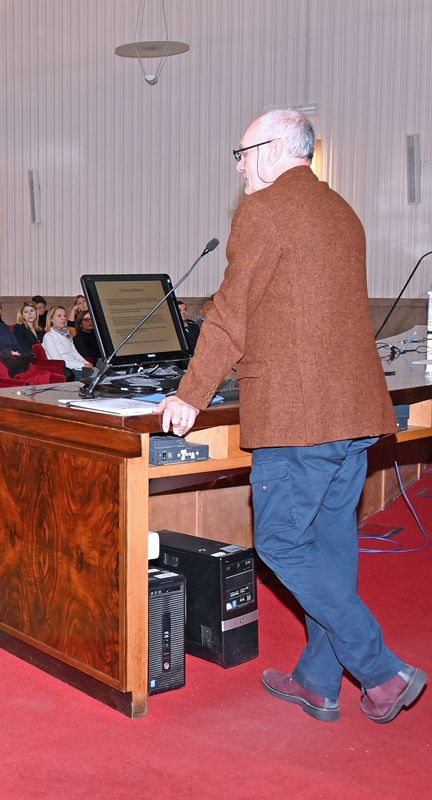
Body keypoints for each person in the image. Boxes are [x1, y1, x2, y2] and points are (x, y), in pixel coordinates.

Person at [156, 109, 425, 724]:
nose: (240, 165)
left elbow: (231, 312)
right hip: (353, 413)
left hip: (298, 416)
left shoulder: (266, 208)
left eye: (243, 152)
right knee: (330, 547)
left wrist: (191, 393)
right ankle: (319, 680)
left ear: (275, 150)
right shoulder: (341, 211)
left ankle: (382, 671)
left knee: (278, 541)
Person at [41, 305, 89, 377]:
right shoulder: (48, 336)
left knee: (102, 373)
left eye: (64, 316)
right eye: (59, 316)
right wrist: (82, 365)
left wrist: (86, 363)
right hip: (67, 371)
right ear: (51, 319)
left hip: (78, 367)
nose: (63, 318)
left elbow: (75, 353)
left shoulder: (67, 334)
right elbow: (58, 361)